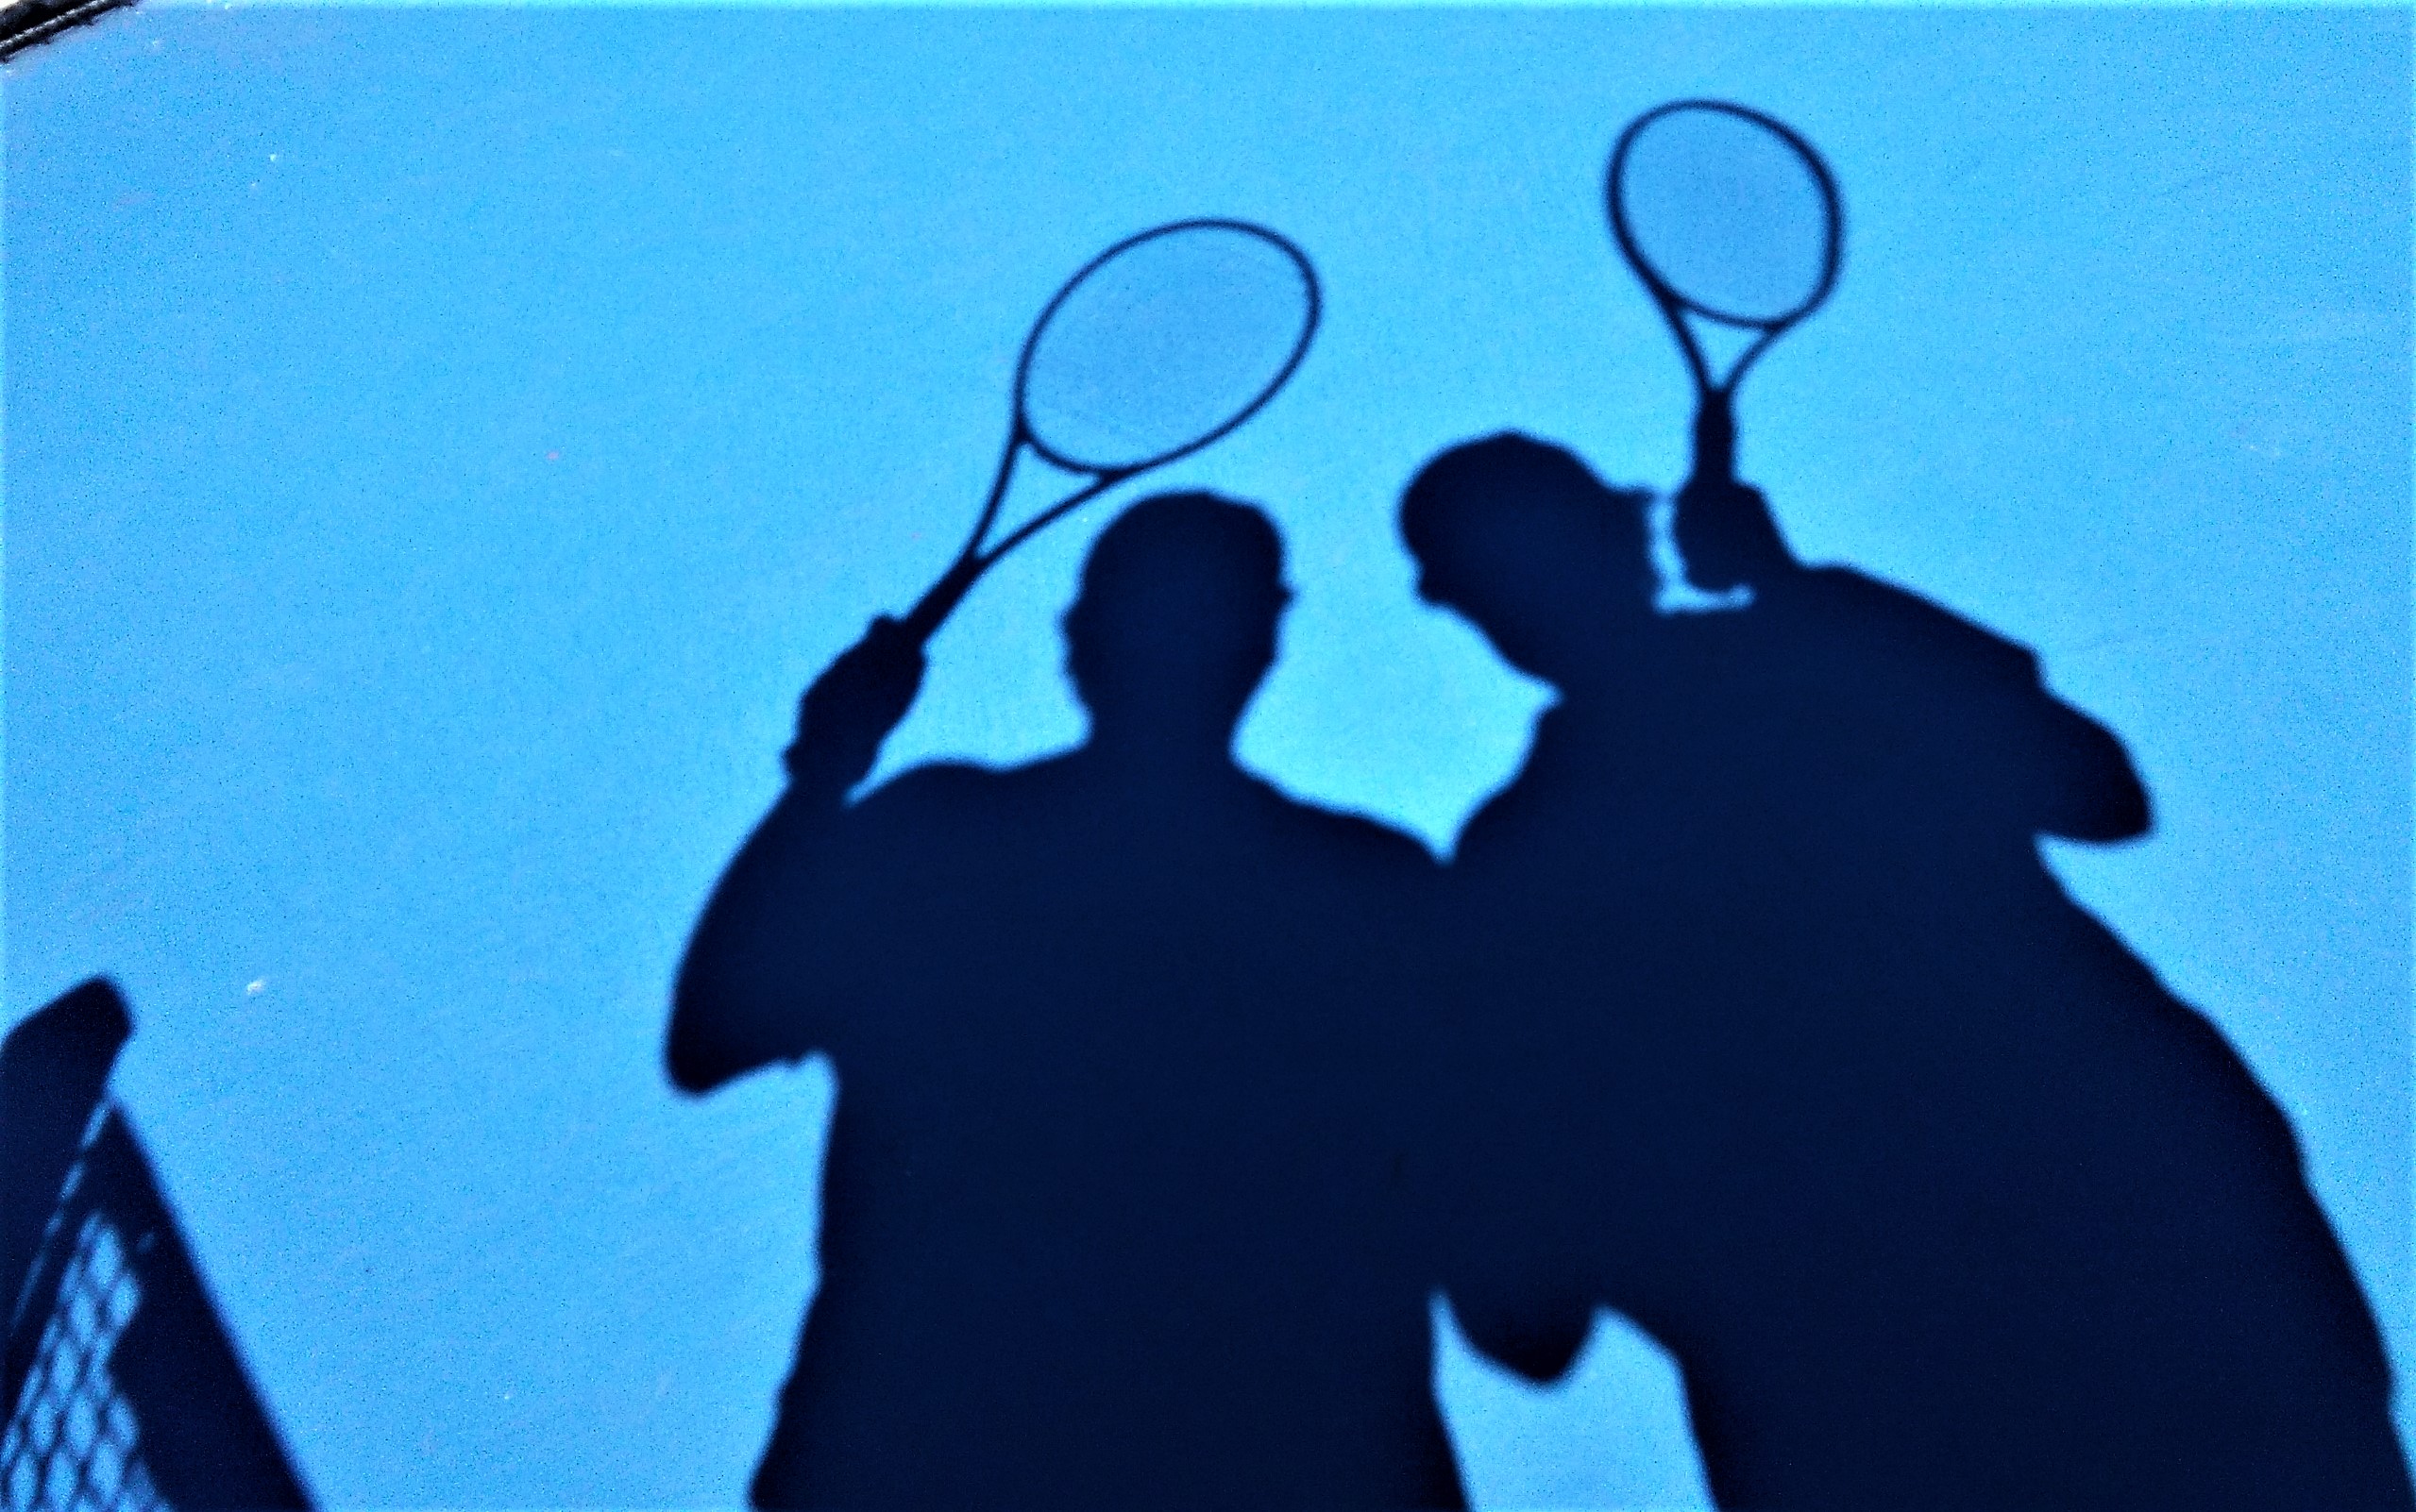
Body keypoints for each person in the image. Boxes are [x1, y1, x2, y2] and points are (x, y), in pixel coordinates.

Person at [1404, 432, 2413, 1511]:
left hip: (1909, 1321)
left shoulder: (1521, 856)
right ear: (1627, 532)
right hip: (2110, 1227)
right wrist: (1804, 596)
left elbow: (1540, 1286)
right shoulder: (1802, 660)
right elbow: (2098, 791)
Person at [668, 494, 1467, 1510]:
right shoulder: (1365, 883)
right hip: (1283, 1445)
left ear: (1080, 636)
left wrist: (823, 770)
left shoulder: (940, 839)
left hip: (930, 1435)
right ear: (1264, 642)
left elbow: (714, 1028)